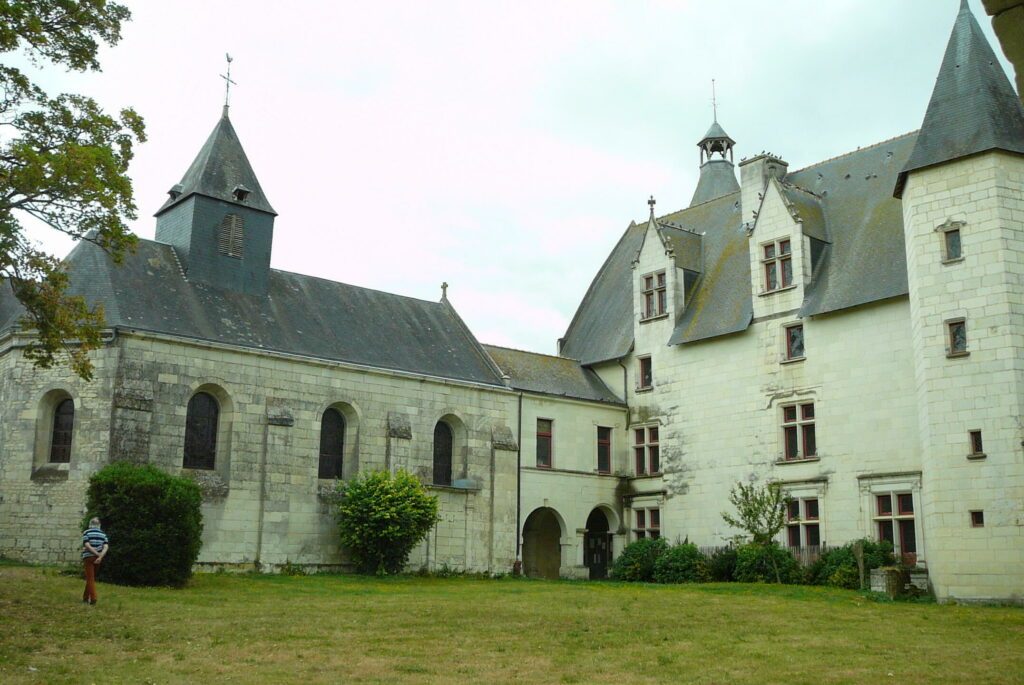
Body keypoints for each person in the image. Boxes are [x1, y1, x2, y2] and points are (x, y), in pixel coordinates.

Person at [81, 517, 109, 605]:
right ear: (99, 525)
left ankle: (93, 598)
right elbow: (106, 547)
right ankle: (85, 597)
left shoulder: (87, 532)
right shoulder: (103, 534)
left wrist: (96, 554)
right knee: (91, 578)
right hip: (98, 559)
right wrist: (100, 556)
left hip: (88, 557)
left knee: (90, 578)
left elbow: (87, 545)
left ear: (90, 524)